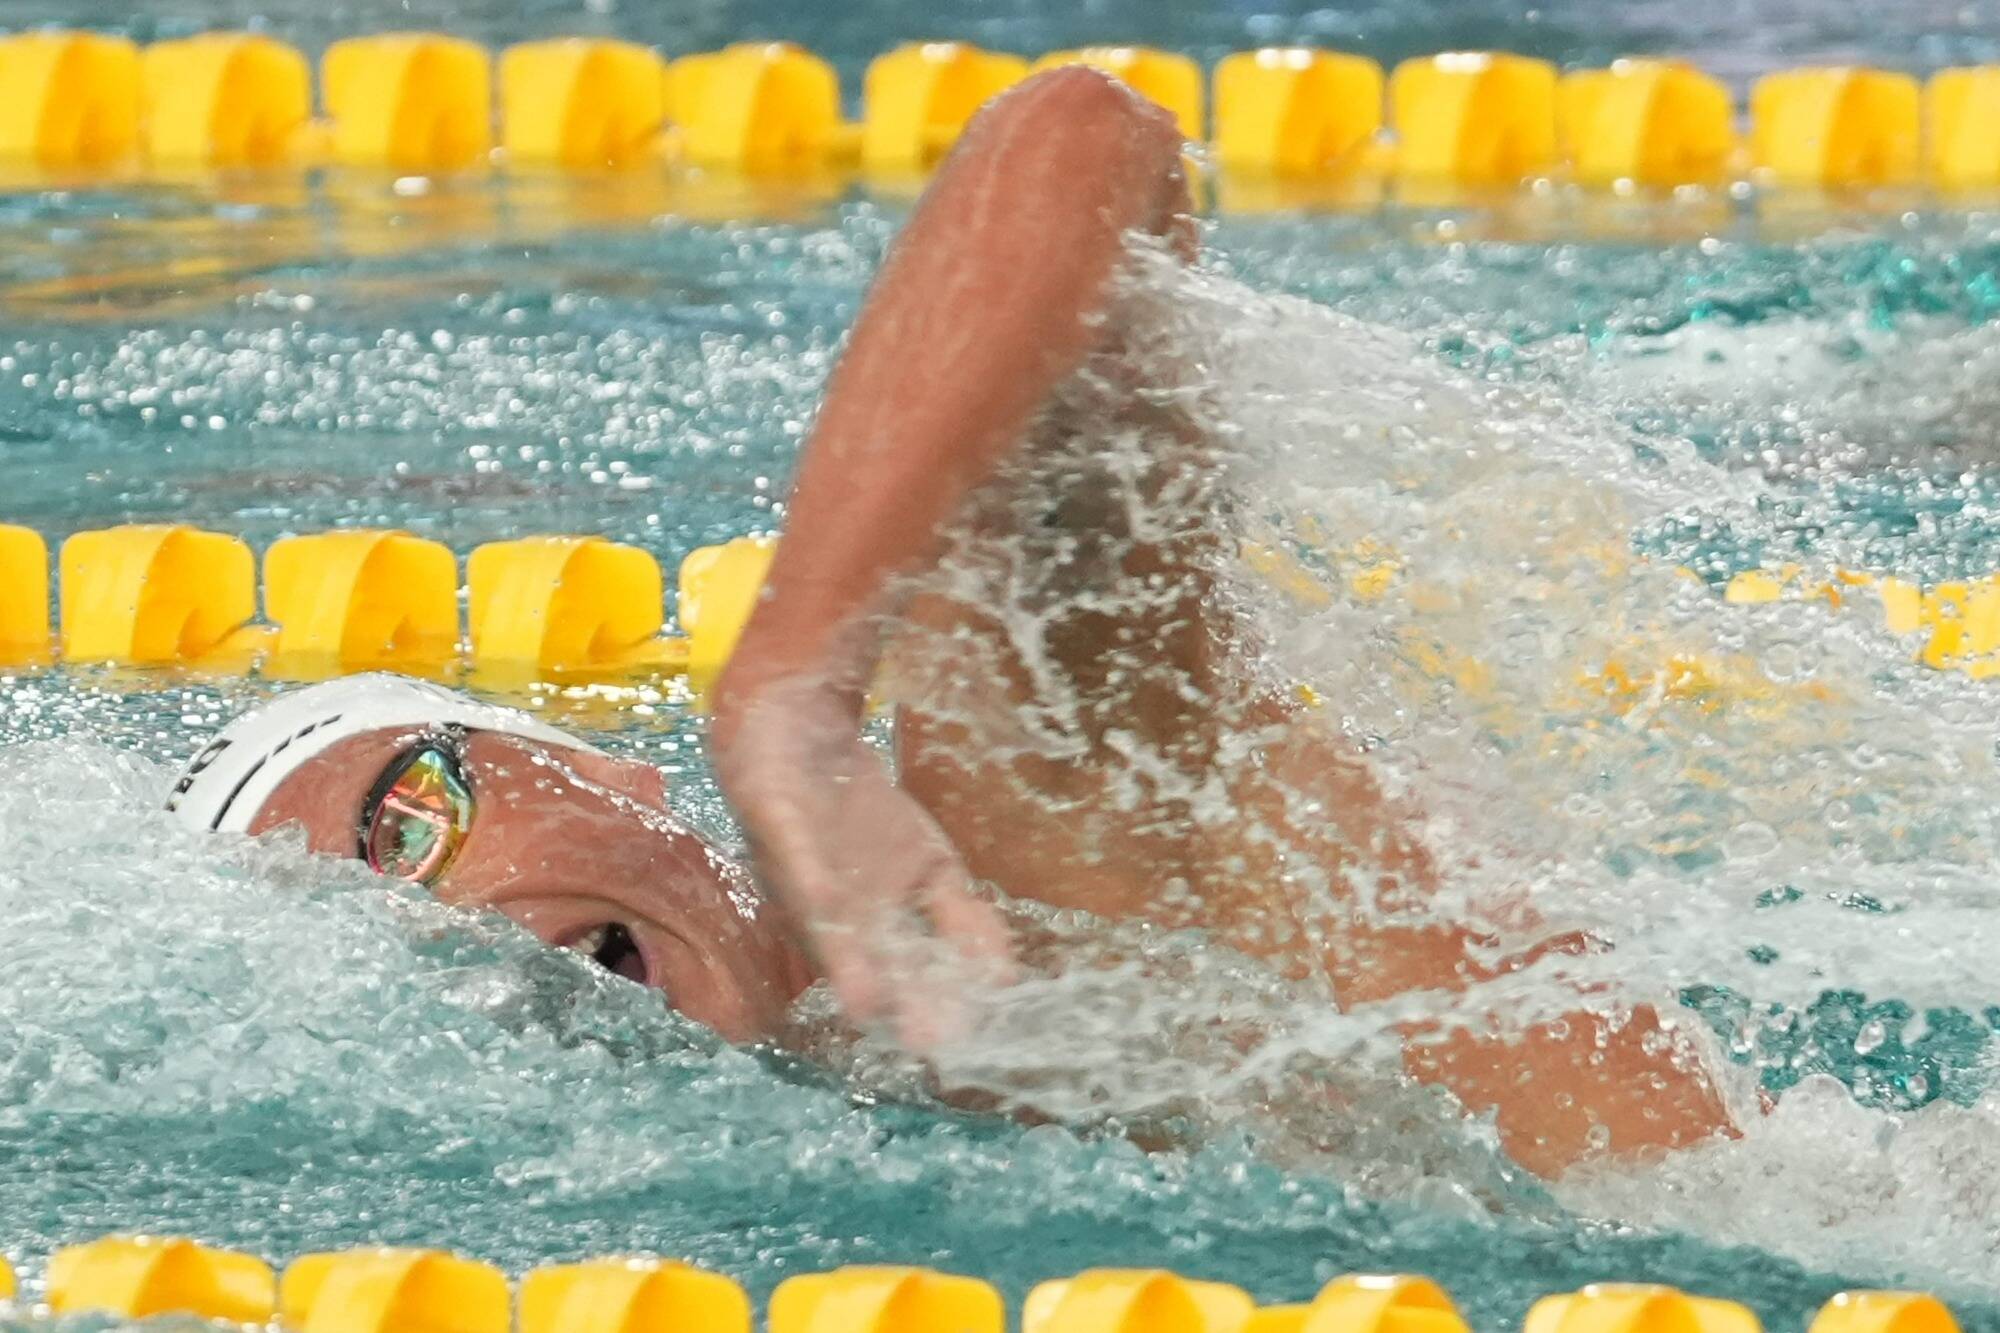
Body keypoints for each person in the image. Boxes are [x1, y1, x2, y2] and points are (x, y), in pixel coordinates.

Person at [168, 67, 1733, 1178]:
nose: (430, 942)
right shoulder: (849, 1142)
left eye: (406, 823)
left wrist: (787, 687)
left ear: (609, 772)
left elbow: (1081, 139)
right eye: (357, 953)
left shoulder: (1009, 823)